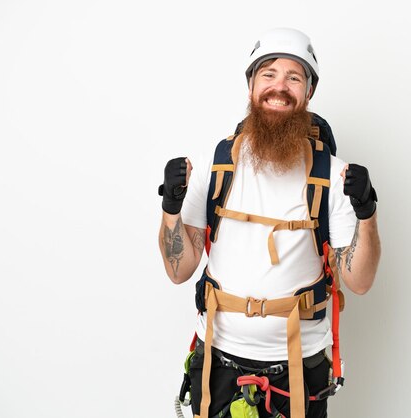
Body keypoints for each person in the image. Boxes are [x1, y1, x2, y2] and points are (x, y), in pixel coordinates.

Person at [158, 28, 381, 418]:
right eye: (269, 74)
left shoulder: (334, 176)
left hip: (298, 371)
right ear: (250, 86)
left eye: (294, 77)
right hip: (218, 365)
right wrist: (171, 208)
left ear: (308, 93)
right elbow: (180, 270)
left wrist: (367, 213)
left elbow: (359, 281)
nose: (280, 87)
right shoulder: (217, 166)